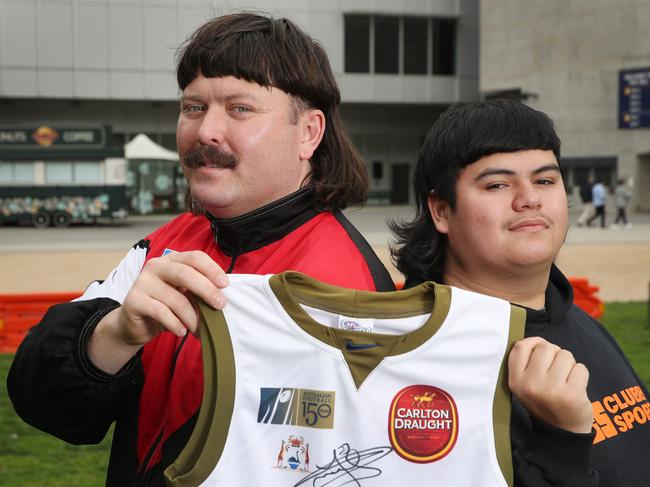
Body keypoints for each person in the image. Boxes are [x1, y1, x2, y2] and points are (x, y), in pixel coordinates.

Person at [7, 13, 394, 487]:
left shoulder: (351, 284)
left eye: (239, 109)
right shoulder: (164, 245)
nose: (205, 131)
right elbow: (41, 401)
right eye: (193, 107)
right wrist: (117, 334)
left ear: (308, 133)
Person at [391, 99, 650, 486]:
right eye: (497, 184)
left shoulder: (571, 317)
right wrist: (560, 442)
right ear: (442, 210)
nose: (529, 198)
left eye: (545, 180)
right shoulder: (420, 364)